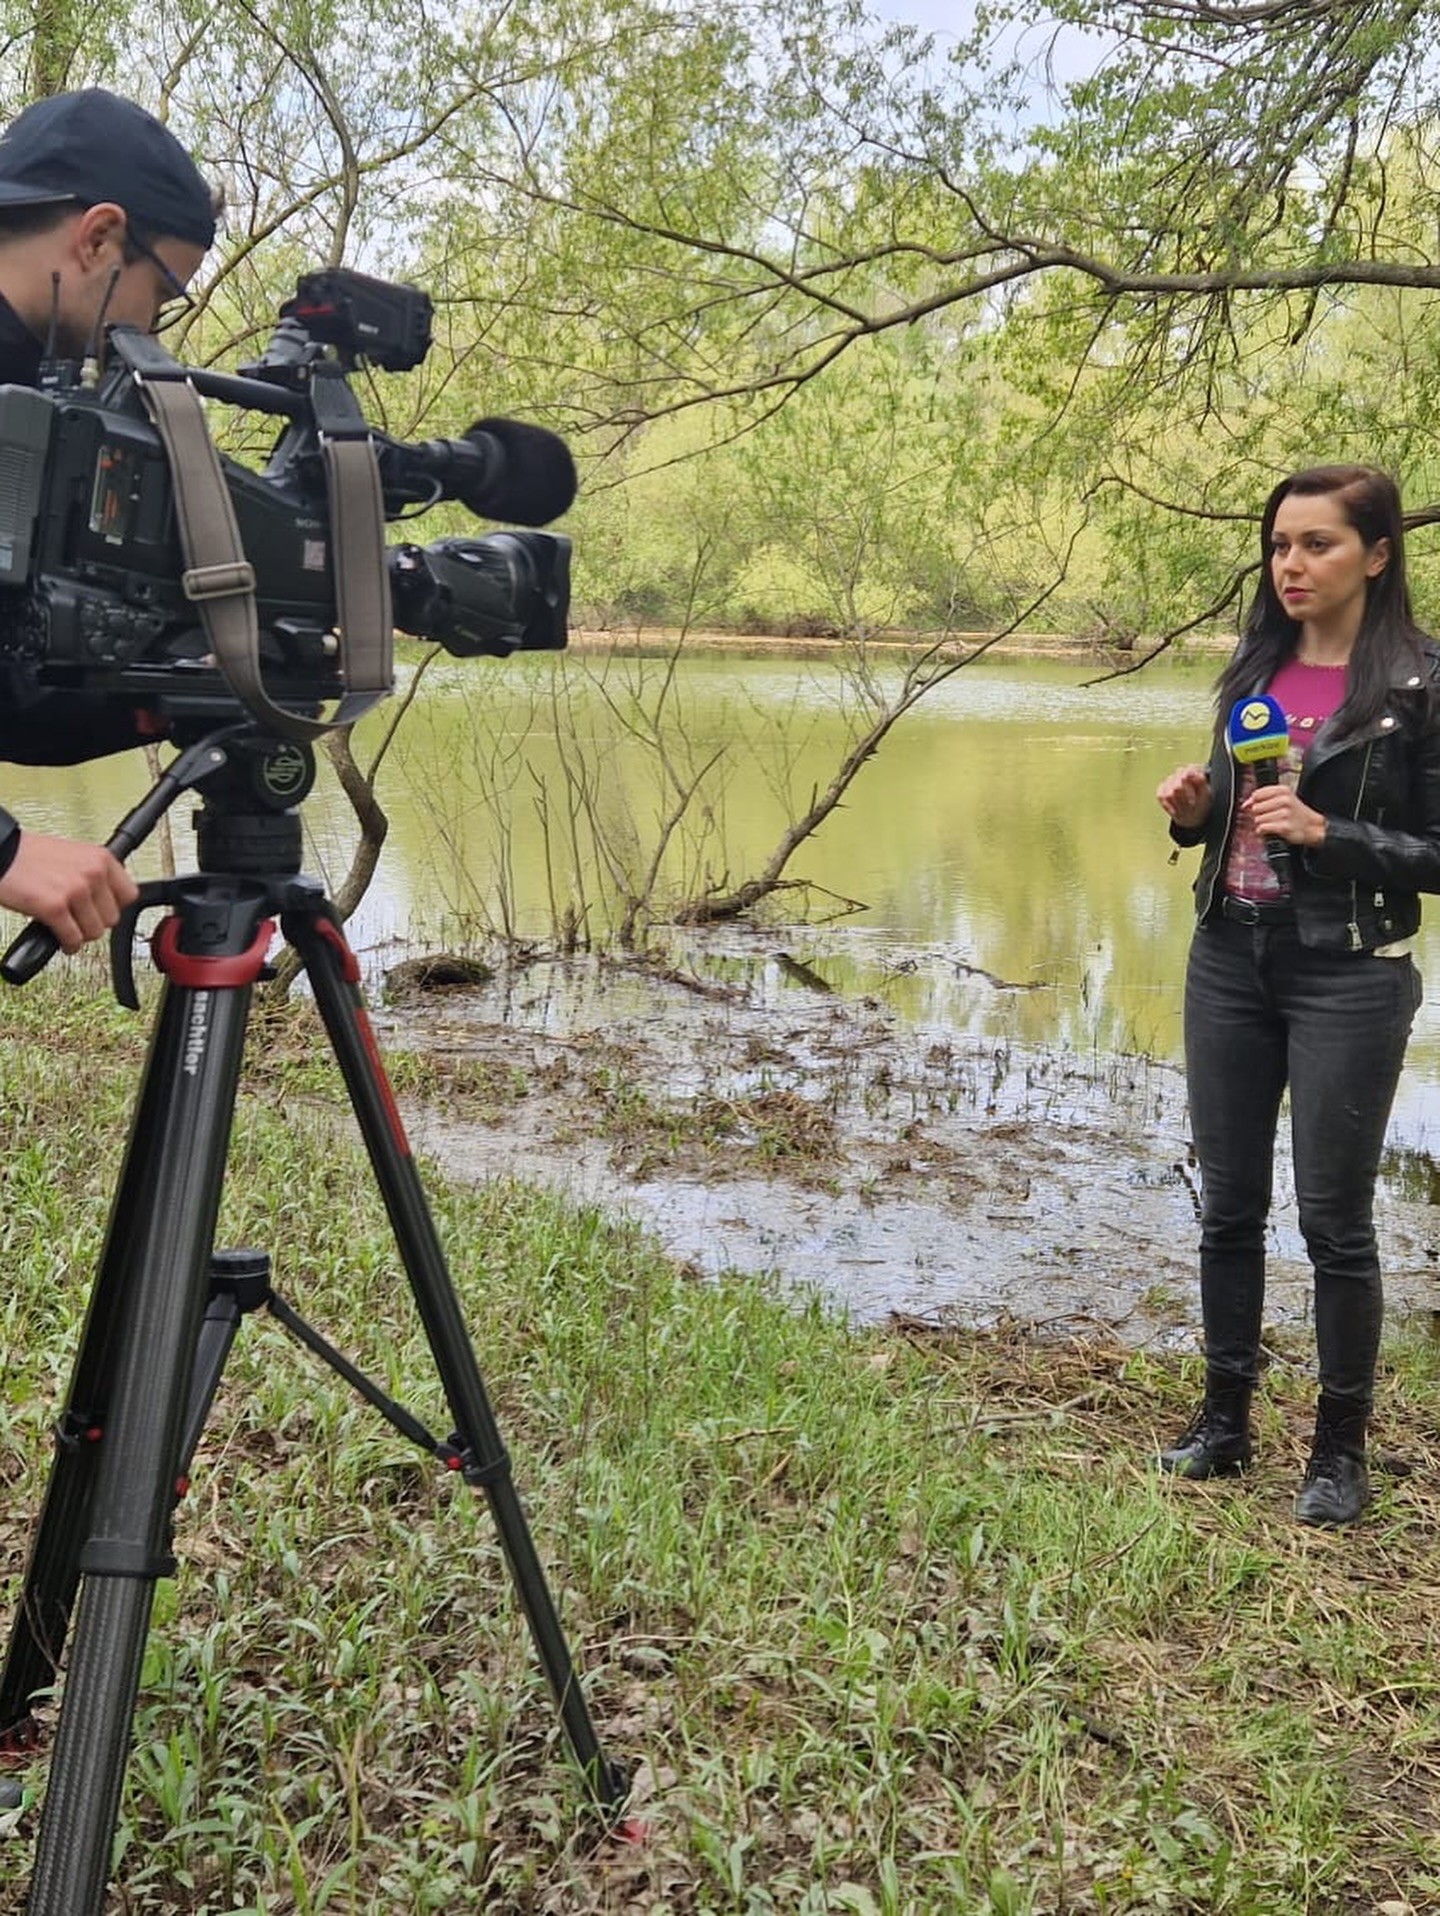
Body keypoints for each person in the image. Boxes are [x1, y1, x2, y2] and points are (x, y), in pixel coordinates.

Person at [1156, 464, 1440, 1527]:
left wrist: (1334, 836)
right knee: (1228, 1205)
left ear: (1376, 554)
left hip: (1349, 972)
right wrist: (1196, 812)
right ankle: (1223, 1425)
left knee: (1334, 1220)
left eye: (1318, 543)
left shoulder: (1420, 682)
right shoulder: (1254, 667)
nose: (1292, 564)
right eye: (1280, 544)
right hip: (1230, 953)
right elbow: (1242, 812)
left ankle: (1337, 1453)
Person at [0, 89, 219, 952]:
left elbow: (9, 702)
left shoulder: (37, 404)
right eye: (162, 291)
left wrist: (174, 693)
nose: (154, 329)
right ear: (98, 237)